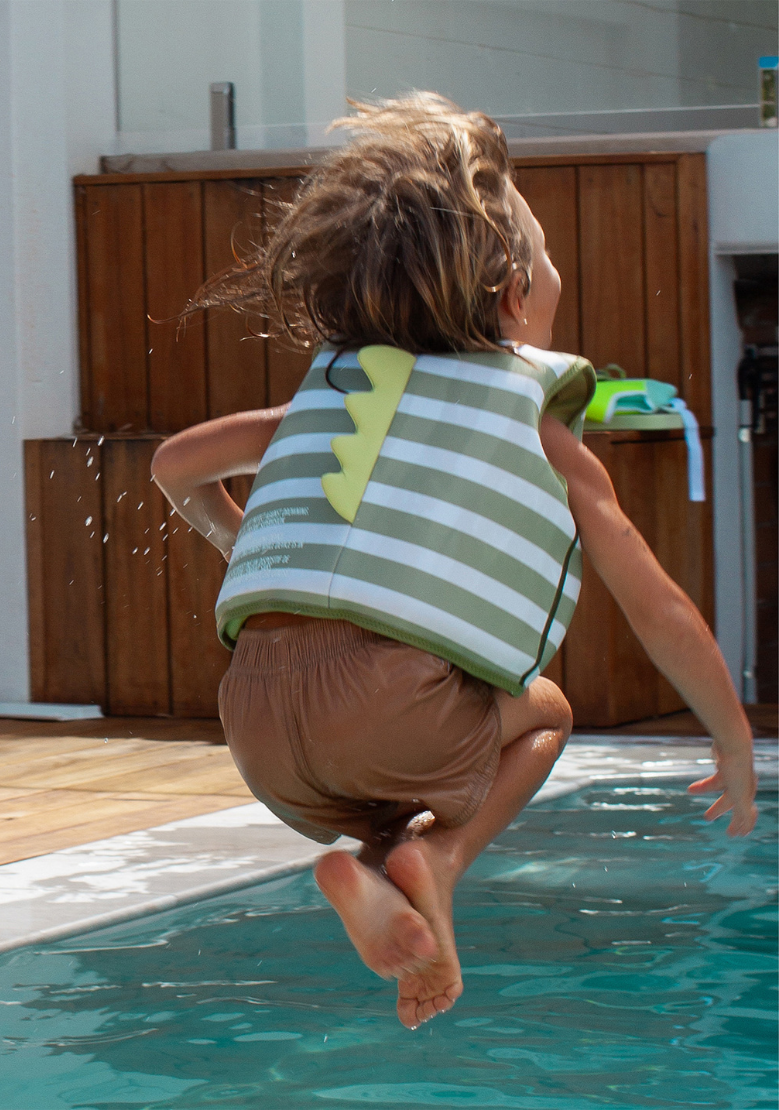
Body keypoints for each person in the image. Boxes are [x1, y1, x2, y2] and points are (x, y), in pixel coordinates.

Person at [151, 94, 758, 1031]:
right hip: (392, 704)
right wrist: (731, 733)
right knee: (541, 711)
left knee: (403, 775)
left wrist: (250, 544)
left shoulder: (334, 397)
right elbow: (657, 605)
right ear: (513, 294)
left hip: (259, 731)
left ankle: (384, 871)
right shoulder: (534, 424)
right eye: (550, 260)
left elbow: (174, 466)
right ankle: (439, 863)